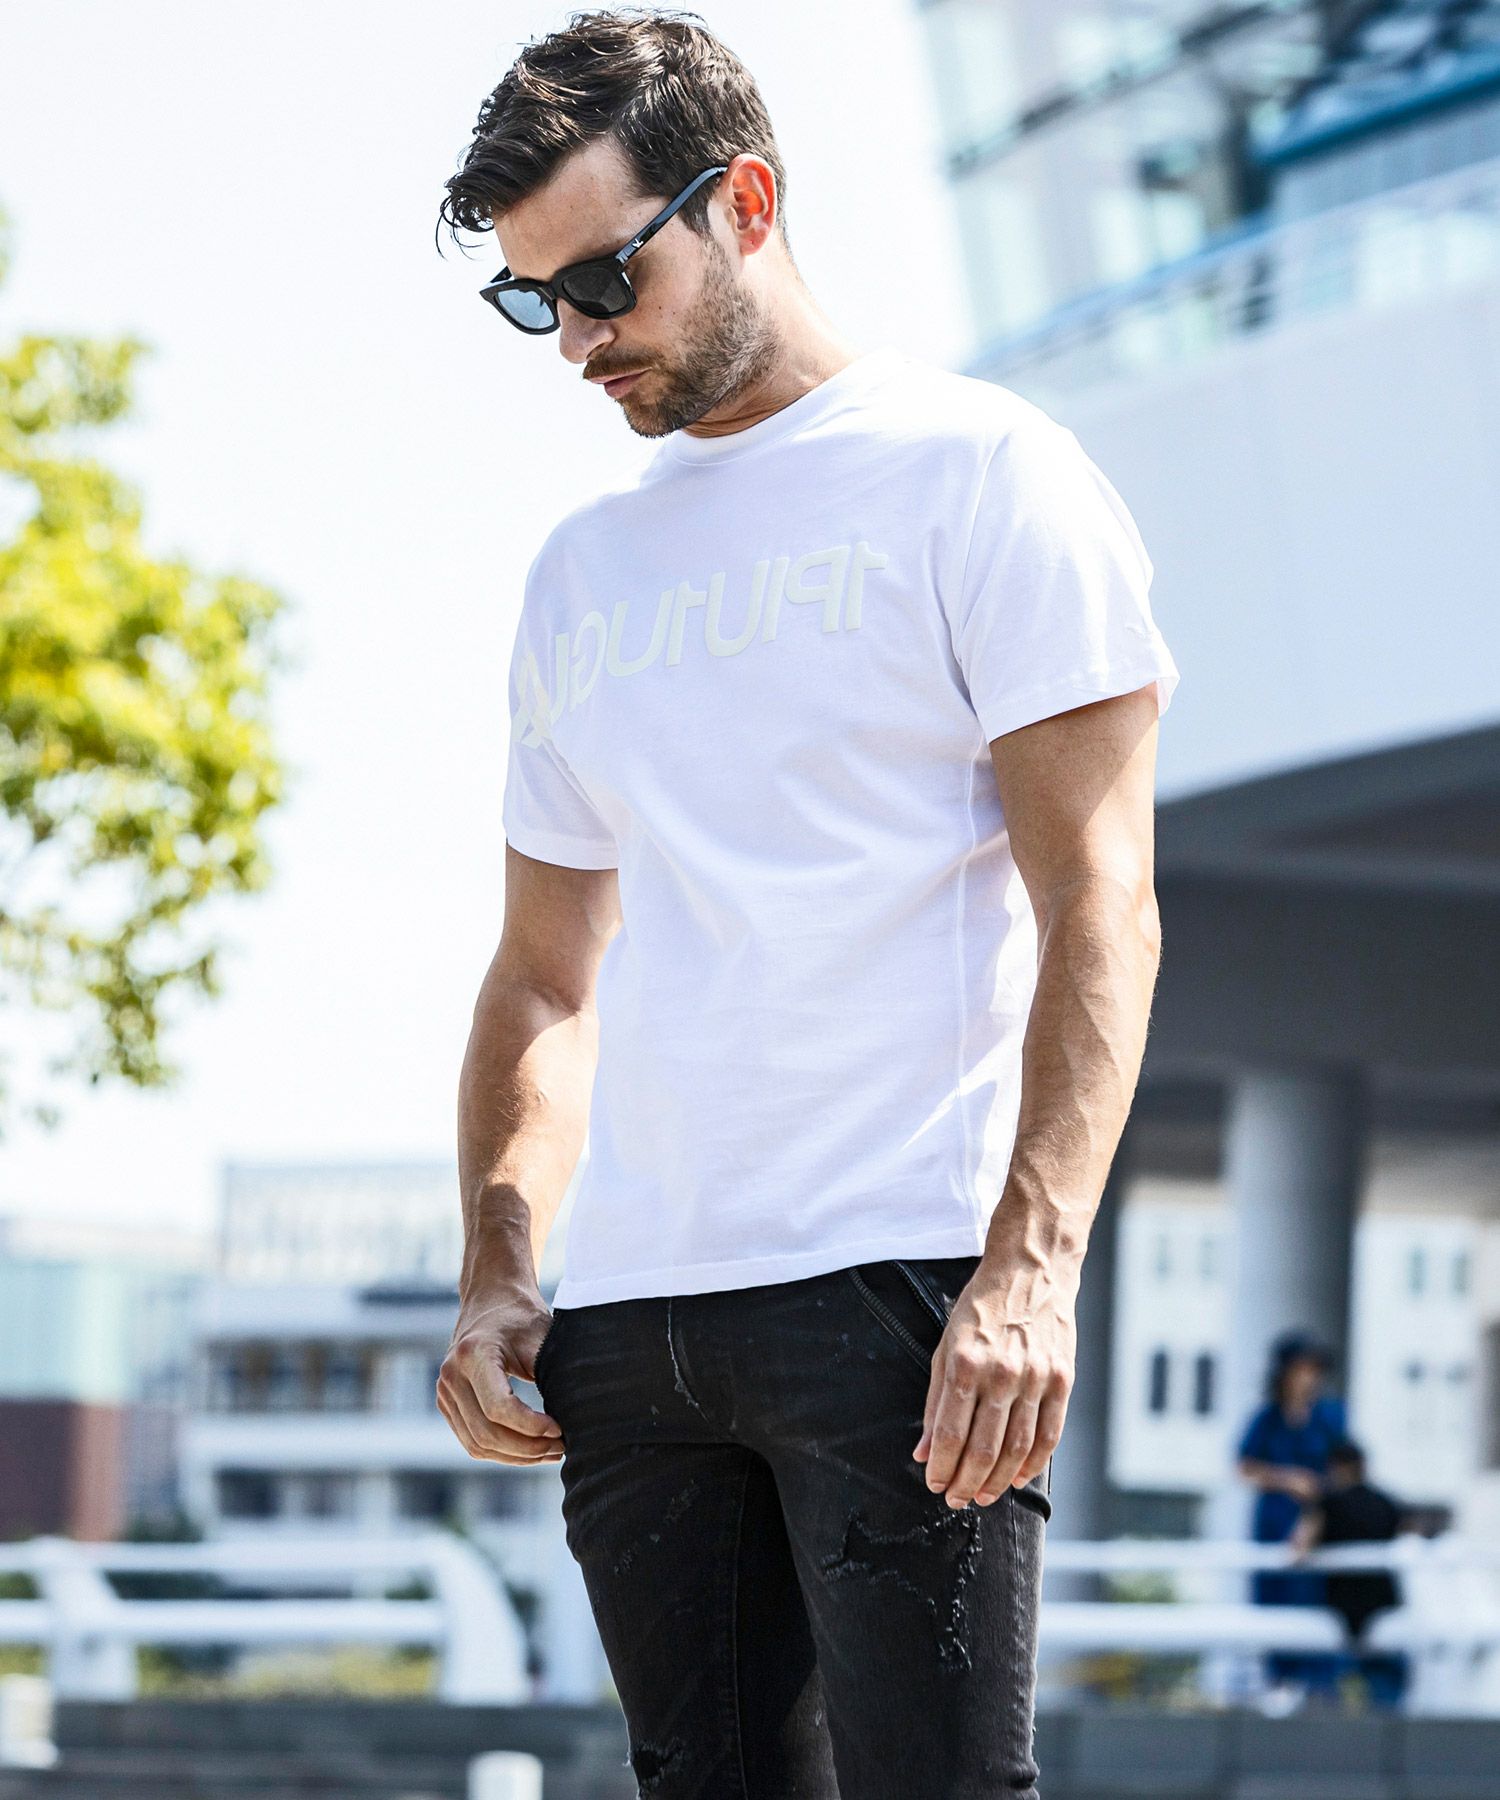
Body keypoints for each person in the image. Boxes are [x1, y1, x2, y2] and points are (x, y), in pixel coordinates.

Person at [435, 10, 1180, 1796]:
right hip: (637, 1326)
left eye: (605, 278)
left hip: (900, 1288)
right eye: (535, 301)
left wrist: (1030, 1271)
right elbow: (543, 982)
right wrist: (499, 1269)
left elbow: (1103, 899)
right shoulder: (582, 573)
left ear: (746, 202)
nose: (578, 339)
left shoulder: (983, 474)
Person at [1236, 1330, 1348, 1705]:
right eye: (1301, 1369)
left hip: (1317, 1526)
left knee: (1317, 1605)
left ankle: (1319, 1687)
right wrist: (1287, 1479)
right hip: (1275, 1525)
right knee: (1274, 1602)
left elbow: (1343, 1469)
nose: (1307, 1378)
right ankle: (1278, 1680)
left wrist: (1318, 1501)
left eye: (1313, 1370)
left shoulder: (1330, 1416)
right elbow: (1245, 1466)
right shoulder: (1267, 1418)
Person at [1288, 1437, 1409, 1710]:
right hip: (1384, 1606)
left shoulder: (1328, 1503)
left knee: (1331, 1699)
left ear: (1335, 1467)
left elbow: (1298, 1549)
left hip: (1340, 1612)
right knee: (1387, 1702)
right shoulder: (1386, 1503)